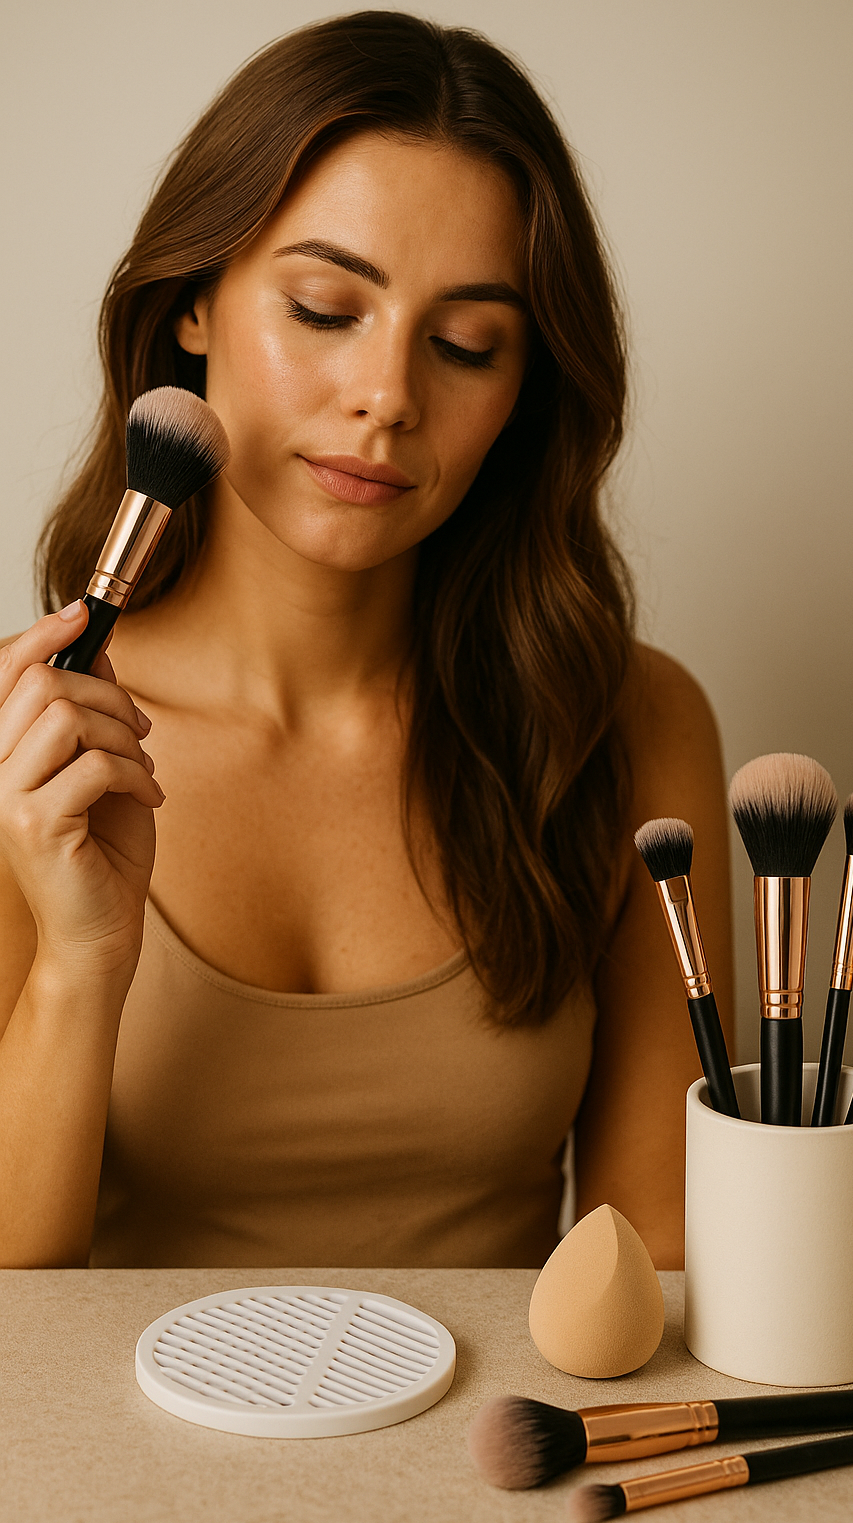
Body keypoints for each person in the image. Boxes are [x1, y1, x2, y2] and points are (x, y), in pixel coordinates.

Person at [0, 11, 732, 1270]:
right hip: (106, 1466)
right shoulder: (37, 747)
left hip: (492, 1456)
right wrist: (81, 961)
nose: (389, 396)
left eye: (465, 344)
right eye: (327, 307)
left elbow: (651, 1256)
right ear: (192, 308)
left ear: (525, 388)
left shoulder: (627, 724)